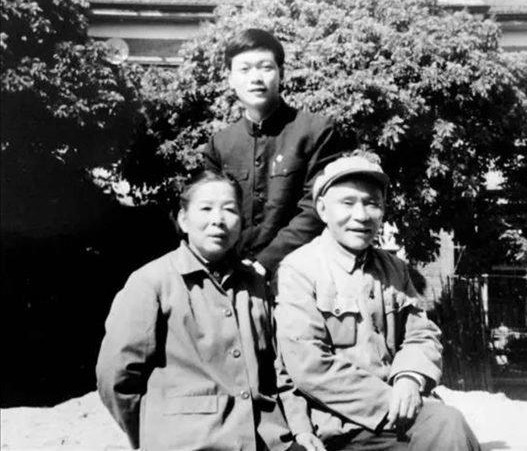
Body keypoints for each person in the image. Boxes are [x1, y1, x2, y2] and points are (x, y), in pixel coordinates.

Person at [96, 171, 323, 451]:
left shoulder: (255, 283)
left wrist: (300, 427)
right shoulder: (152, 282)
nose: (218, 220)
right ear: (183, 219)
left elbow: (278, 368)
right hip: (187, 443)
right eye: (205, 209)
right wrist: (152, 435)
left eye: (229, 210)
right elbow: (115, 376)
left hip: (267, 438)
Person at [274, 153, 481, 451]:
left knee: (448, 423)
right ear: (322, 209)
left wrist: (409, 378)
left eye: (372, 203)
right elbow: (309, 365)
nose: (361, 215)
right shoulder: (299, 270)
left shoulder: (394, 269)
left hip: (402, 414)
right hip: (337, 425)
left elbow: (421, 334)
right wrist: (391, 399)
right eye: (347, 203)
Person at [204, 28, 356, 276]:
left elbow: (317, 207)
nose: (255, 78)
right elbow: (212, 210)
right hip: (232, 275)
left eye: (265, 67)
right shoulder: (220, 144)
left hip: (300, 274)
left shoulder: (316, 132)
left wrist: (265, 263)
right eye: (244, 69)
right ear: (230, 78)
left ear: (281, 73)